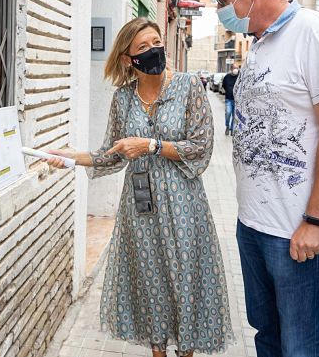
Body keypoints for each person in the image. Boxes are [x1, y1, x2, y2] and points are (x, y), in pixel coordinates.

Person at [45, 18, 234, 357]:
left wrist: (152, 146)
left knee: (184, 281)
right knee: (151, 284)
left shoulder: (189, 87)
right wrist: (72, 158)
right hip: (139, 209)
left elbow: (202, 146)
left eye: (156, 42)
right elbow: (112, 154)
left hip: (184, 206)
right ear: (127, 59)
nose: (153, 51)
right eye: (143, 48)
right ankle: (157, 352)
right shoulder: (123, 99)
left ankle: (186, 352)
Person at [212, 0, 319, 357]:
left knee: (303, 346)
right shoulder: (258, 43)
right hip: (255, 226)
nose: (221, 9)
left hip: (299, 235)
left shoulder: (315, 34)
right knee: (268, 336)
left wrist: (315, 220)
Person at [222, 65, 239, 135]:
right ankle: (227, 126)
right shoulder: (227, 77)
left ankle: (232, 129)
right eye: (235, 68)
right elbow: (224, 86)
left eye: (237, 68)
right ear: (231, 69)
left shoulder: (239, 77)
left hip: (236, 100)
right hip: (228, 99)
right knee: (228, 113)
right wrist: (229, 91)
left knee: (234, 115)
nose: (236, 69)